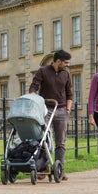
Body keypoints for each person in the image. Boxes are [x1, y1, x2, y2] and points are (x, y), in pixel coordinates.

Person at [29, 49, 73, 181]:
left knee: (61, 142)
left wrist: (68, 109)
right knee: (43, 139)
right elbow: (33, 87)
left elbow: (69, 94)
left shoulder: (66, 74)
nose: (67, 65)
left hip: (61, 110)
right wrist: (34, 97)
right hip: (46, 109)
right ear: (58, 61)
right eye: (65, 62)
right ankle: (43, 168)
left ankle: (60, 169)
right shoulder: (43, 71)